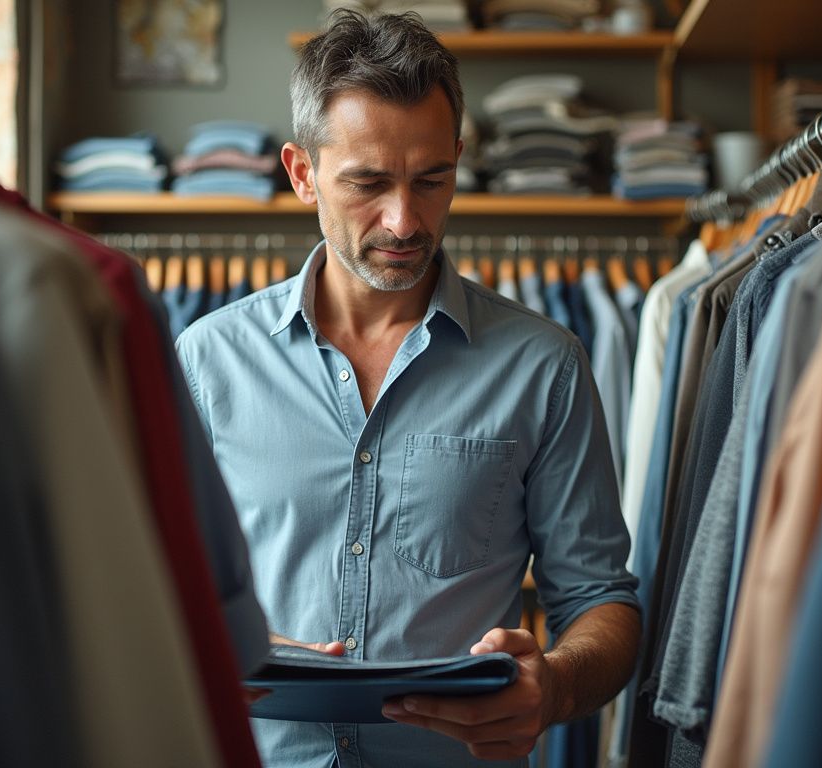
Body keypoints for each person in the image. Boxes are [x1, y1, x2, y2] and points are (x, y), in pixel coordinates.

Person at [176, 9, 639, 766]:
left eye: (432, 180)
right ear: (302, 174)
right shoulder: (205, 360)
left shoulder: (544, 365)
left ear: (459, 159)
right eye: (368, 183)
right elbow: (150, 584)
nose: (404, 220)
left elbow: (602, 604)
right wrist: (212, 645)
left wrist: (551, 686)